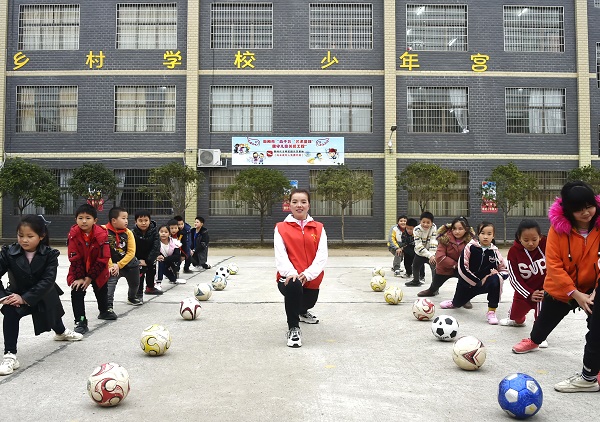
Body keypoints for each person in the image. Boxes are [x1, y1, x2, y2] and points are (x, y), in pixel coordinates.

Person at [508, 182, 600, 393]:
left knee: (596, 327)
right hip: (562, 288)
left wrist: (595, 290)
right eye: (579, 209)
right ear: (568, 210)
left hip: (593, 288)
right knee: (545, 320)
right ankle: (534, 340)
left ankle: (596, 366)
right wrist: (574, 293)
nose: (586, 212)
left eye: (589, 206)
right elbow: (554, 266)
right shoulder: (557, 231)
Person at [0, 215, 83, 376]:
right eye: (20, 235)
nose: (24, 240)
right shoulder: (8, 252)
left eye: (30, 236)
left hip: (43, 294)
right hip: (17, 295)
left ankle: (61, 333)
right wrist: (4, 297)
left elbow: (48, 281)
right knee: (10, 312)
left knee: (53, 314)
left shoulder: (50, 255)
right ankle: (10, 355)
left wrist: (25, 298)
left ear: (41, 236)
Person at [275, 188, 328, 348]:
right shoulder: (281, 228)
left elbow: (322, 255)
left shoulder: (318, 228)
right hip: (288, 277)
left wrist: (308, 274)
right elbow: (280, 255)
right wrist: (292, 273)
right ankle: (293, 328)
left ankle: (302, 311)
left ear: (309, 205)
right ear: (289, 205)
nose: (299, 205)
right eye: (295, 202)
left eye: (303, 202)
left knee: (307, 303)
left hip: (311, 278)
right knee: (293, 285)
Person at [440, 221, 509, 325]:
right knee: (458, 303)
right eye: (482, 233)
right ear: (478, 234)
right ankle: (454, 302)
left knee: (496, 279)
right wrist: (477, 281)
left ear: (493, 235)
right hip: (467, 284)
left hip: (484, 284)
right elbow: (462, 268)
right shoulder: (470, 247)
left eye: (489, 234)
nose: (485, 236)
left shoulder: (495, 252)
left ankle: (491, 311)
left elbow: (504, 270)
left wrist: (497, 275)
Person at [67, 204, 114, 334]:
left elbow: (104, 258)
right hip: (79, 269)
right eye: (80, 218)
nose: (84, 221)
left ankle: (104, 311)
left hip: (98, 268)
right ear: (76, 219)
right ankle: (80, 320)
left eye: (88, 218)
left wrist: (90, 277)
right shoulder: (73, 234)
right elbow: (74, 257)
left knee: (101, 289)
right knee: (77, 290)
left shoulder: (102, 234)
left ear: (95, 220)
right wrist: (80, 278)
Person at [417, 216, 475, 310]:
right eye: (454, 229)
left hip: (462, 268)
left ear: (466, 229)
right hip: (445, 268)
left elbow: (473, 256)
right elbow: (440, 257)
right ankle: (432, 290)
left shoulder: (471, 242)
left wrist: (463, 266)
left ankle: (465, 298)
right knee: (436, 283)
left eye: (460, 229)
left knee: (465, 282)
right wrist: (455, 265)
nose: (457, 231)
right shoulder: (444, 238)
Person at [501, 220, 547, 336]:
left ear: (540, 237)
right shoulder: (513, 252)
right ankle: (518, 321)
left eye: (534, 239)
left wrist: (548, 290)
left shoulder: (547, 244)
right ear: (519, 238)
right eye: (526, 240)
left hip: (543, 291)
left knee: (542, 314)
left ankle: (539, 335)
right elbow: (514, 278)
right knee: (516, 317)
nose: (530, 243)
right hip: (524, 291)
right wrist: (529, 293)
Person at [104, 207, 142, 311]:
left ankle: (132, 297)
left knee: (135, 284)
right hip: (112, 265)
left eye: (127, 218)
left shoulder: (128, 233)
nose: (126, 221)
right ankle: (108, 305)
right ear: (114, 220)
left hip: (130, 264)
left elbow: (131, 252)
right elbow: (104, 250)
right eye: (123, 218)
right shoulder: (104, 231)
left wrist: (119, 265)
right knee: (110, 284)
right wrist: (111, 265)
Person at [133, 210, 162, 296]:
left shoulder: (154, 232)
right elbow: (131, 248)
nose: (143, 223)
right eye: (140, 220)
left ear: (149, 221)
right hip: (138, 259)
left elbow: (156, 247)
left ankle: (150, 288)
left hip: (150, 258)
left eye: (146, 220)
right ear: (135, 222)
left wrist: (148, 260)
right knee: (139, 276)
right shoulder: (132, 233)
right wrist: (137, 260)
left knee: (151, 273)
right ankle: (138, 293)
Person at [405, 211, 437, 287]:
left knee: (434, 268)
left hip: (431, 253)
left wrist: (432, 255)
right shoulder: (416, 230)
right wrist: (429, 255)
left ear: (432, 223)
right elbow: (419, 245)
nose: (425, 224)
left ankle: (435, 286)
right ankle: (416, 281)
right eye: (423, 222)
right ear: (420, 221)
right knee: (415, 266)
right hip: (420, 252)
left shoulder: (433, 228)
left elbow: (433, 241)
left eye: (428, 222)